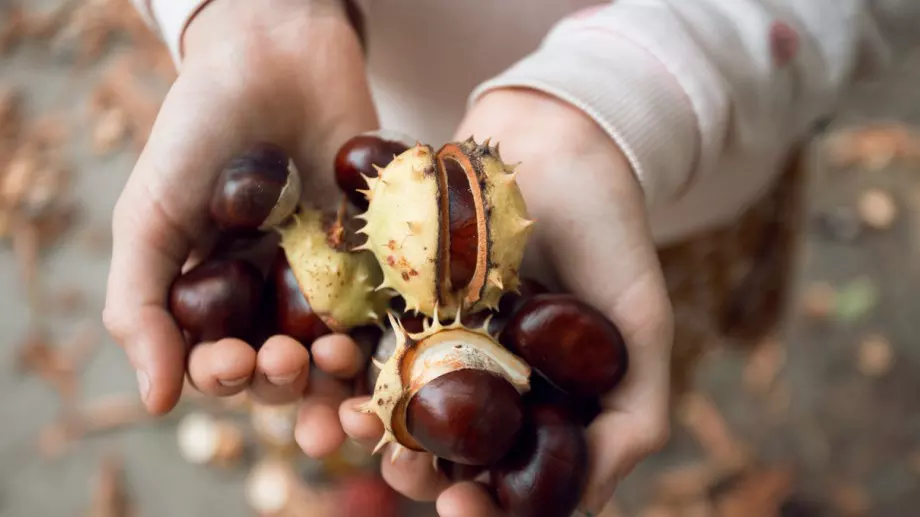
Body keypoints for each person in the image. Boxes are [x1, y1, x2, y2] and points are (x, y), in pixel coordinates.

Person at [106, 0, 918, 515]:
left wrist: (614, 102)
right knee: (330, 394)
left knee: (641, 353)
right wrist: (252, 18)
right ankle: (358, 472)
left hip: (675, 166)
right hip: (380, 102)